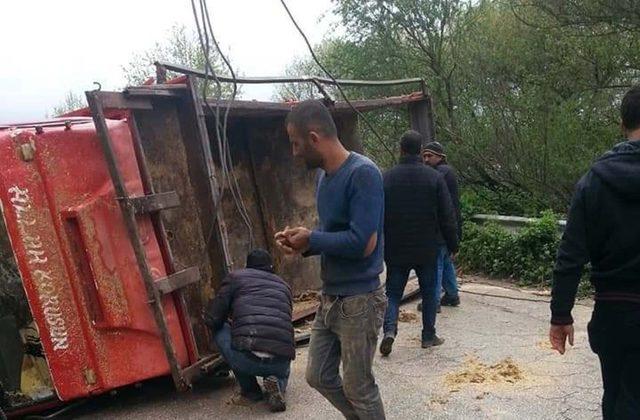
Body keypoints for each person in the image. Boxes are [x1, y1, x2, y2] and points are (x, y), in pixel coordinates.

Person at [275, 99, 387, 419]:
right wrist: (304, 243)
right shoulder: (324, 177)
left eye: (296, 144)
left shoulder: (363, 174)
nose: (295, 152)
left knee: (359, 387)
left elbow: (363, 243)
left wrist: (314, 239)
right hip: (331, 295)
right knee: (318, 375)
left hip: (360, 300)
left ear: (314, 138)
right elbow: (330, 231)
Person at [549, 86, 640, 420]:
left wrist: (561, 316)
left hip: (612, 314)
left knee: (614, 397)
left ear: (622, 124)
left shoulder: (594, 182)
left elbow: (570, 256)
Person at [380, 130, 459, 357]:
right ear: (419, 150)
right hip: (427, 247)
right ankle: (428, 336)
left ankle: (389, 331)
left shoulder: (386, 178)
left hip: (396, 248)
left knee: (393, 293)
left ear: (401, 149)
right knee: (429, 292)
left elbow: (378, 215)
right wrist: (453, 244)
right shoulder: (433, 178)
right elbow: (447, 215)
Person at [204, 249, 294, 413]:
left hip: (246, 358)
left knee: (221, 328)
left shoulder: (235, 278)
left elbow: (214, 318)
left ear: (248, 265)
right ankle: (277, 386)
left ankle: (251, 390)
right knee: (281, 369)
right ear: (271, 267)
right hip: (281, 360)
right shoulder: (284, 286)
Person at [423, 141, 462, 307]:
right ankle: (452, 295)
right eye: (424, 155)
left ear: (440, 156)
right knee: (445, 261)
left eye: (429, 156)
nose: (425, 159)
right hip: (448, 226)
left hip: (440, 226)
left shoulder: (439, 174)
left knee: (435, 264)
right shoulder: (446, 172)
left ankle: (434, 300)